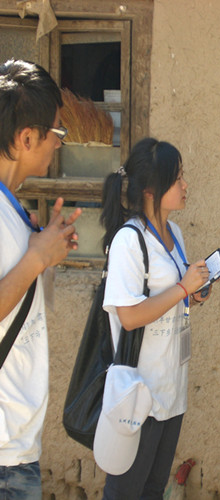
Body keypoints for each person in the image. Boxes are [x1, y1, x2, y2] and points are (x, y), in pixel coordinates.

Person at [100, 138, 212, 499]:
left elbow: (173, 297)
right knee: (125, 491)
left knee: (153, 490)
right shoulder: (129, 241)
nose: (185, 185)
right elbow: (129, 316)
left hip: (171, 390)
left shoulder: (174, 233)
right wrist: (181, 288)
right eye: (176, 179)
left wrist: (193, 294)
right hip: (137, 393)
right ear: (150, 190)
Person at [0, 59, 81, 498]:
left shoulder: (11, 206)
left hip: (15, 445)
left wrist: (43, 250)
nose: (59, 143)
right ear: (26, 137)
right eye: (56, 131)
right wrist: (35, 258)